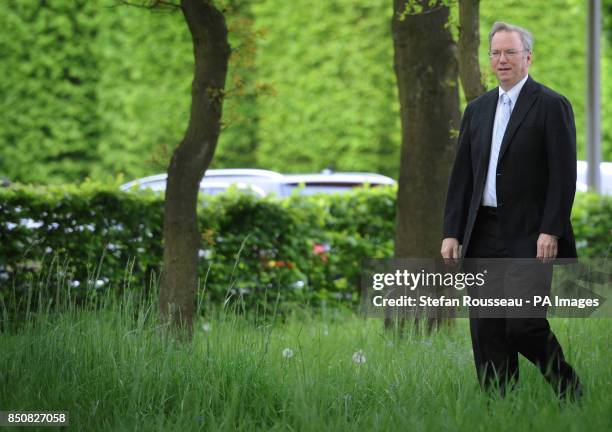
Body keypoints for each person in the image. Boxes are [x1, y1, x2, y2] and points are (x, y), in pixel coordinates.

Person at [441, 22, 582, 400]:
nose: (502, 60)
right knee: (487, 331)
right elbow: (462, 178)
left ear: (528, 57)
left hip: (530, 235)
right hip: (482, 233)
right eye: (496, 53)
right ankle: (501, 410)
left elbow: (563, 176)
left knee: (522, 325)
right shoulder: (477, 109)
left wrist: (551, 230)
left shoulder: (552, 105)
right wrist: (451, 232)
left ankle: (570, 390)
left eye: (510, 52)